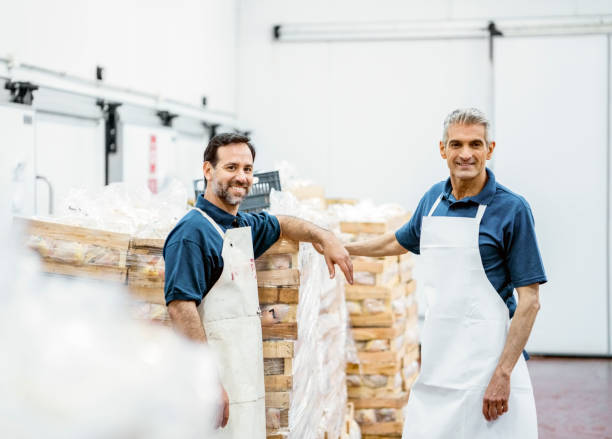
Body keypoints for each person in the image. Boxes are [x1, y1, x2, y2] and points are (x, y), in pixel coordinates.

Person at [345, 108, 546, 438]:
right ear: (443, 150)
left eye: (475, 144)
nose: (465, 154)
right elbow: (400, 240)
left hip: (490, 366)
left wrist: (503, 374)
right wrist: (343, 247)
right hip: (441, 364)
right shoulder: (433, 200)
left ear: (489, 149)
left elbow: (530, 302)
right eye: (456, 144)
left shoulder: (512, 209)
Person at [163, 133, 353, 438]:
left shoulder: (240, 226)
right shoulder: (192, 233)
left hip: (241, 381)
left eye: (248, 169)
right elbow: (180, 309)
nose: (241, 177)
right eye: (231, 167)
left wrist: (324, 237)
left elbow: (283, 224)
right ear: (207, 170)